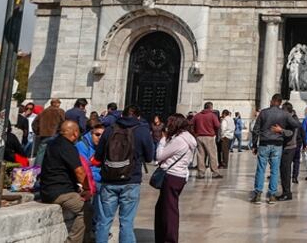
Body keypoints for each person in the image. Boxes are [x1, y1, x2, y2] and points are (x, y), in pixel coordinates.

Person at [94, 104, 155, 243]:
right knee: (126, 222)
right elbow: (150, 157)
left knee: (104, 221)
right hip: (131, 180)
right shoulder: (142, 131)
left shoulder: (109, 130)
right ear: (138, 117)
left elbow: (98, 156)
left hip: (109, 180)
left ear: (121, 115)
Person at [39, 120, 89, 243]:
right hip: (60, 192)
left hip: (47, 189)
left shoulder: (52, 143)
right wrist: (87, 189)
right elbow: (79, 172)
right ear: (75, 133)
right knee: (87, 210)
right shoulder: (68, 147)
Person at [154, 113, 197, 243]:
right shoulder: (188, 138)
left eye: (169, 123)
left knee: (169, 211)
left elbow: (159, 156)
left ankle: (170, 239)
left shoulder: (179, 140)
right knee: (162, 207)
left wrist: (162, 141)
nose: (167, 126)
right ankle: (161, 236)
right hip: (180, 175)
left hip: (172, 176)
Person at [250, 94, 299, 202]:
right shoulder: (285, 114)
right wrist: (282, 130)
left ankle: (258, 193)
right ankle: (272, 194)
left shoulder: (263, 112)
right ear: (280, 103)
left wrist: (254, 144)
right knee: (275, 170)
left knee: (261, 169)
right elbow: (297, 124)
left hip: (264, 143)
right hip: (277, 144)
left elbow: (255, 130)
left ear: (272, 101)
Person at [76, 122, 105, 237]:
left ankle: (99, 227)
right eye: (97, 135)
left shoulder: (103, 145)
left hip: (101, 178)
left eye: (103, 135)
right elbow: (84, 169)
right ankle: (95, 228)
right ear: (91, 134)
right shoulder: (82, 146)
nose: (100, 138)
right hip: (89, 179)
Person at [191, 102, 222, 179]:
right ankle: (215, 172)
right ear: (211, 107)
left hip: (199, 137)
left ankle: (201, 173)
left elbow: (191, 124)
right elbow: (218, 125)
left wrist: (195, 132)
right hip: (209, 137)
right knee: (212, 155)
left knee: (201, 155)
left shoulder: (197, 115)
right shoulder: (212, 115)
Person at [278, 102, 300, 199]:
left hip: (289, 147)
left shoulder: (291, 120)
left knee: (286, 171)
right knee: (284, 170)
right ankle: (285, 192)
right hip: (289, 147)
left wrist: (280, 130)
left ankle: (287, 193)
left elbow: (290, 133)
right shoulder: (291, 119)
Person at [35, 99, 66, 163]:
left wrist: (38, 132)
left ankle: (37, 168)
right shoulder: (60, 111)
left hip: (44, 135)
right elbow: (63, 123)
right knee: (54, 153)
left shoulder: (43, 111)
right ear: (55, 103)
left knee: (41, 153)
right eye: (59, 103)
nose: (59, 105)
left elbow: (34, 123)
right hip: (55, 134)